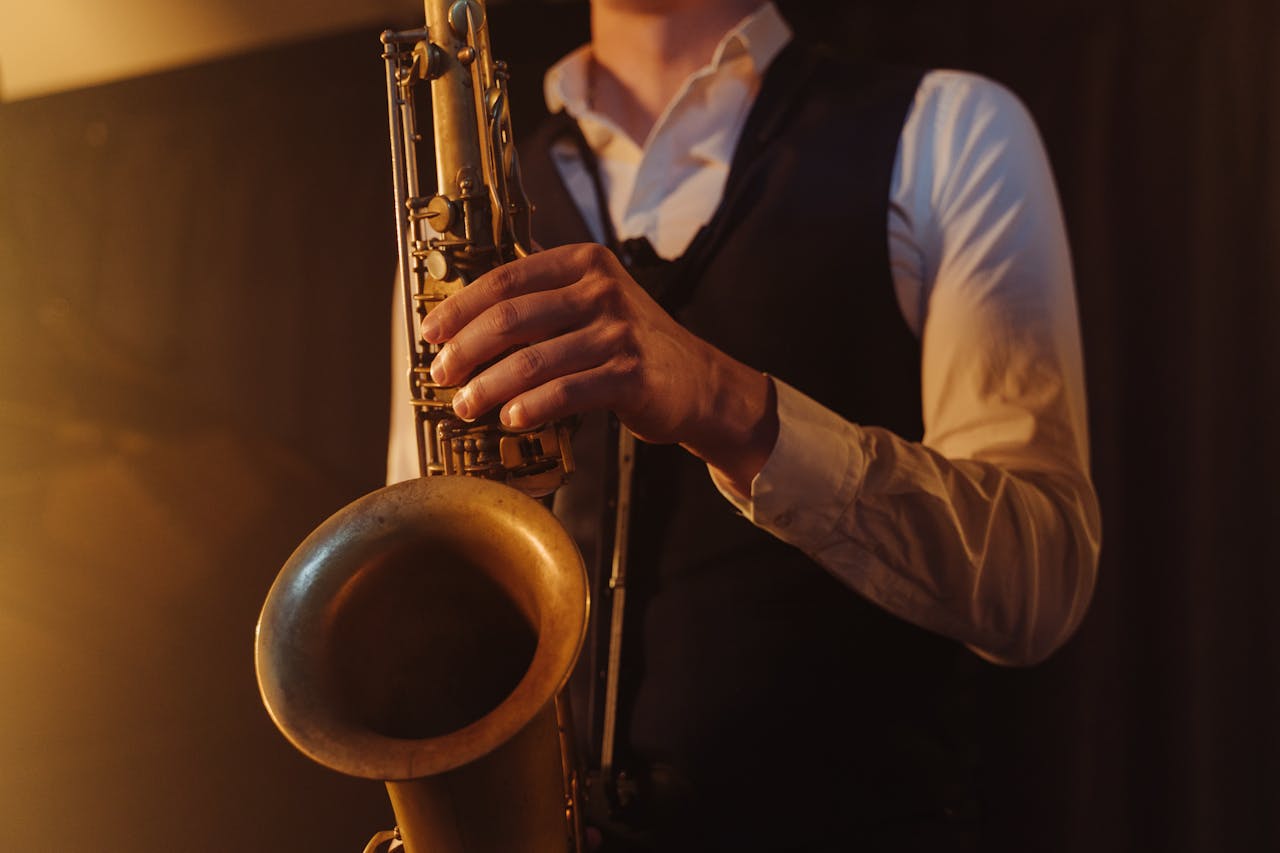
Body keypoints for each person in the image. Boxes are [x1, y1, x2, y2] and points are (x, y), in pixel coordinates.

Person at [387, 0, 1102, 849]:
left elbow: (1038, 581)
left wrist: (729, 407)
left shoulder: (950, 129)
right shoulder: (452, 227)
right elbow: (422, 584)